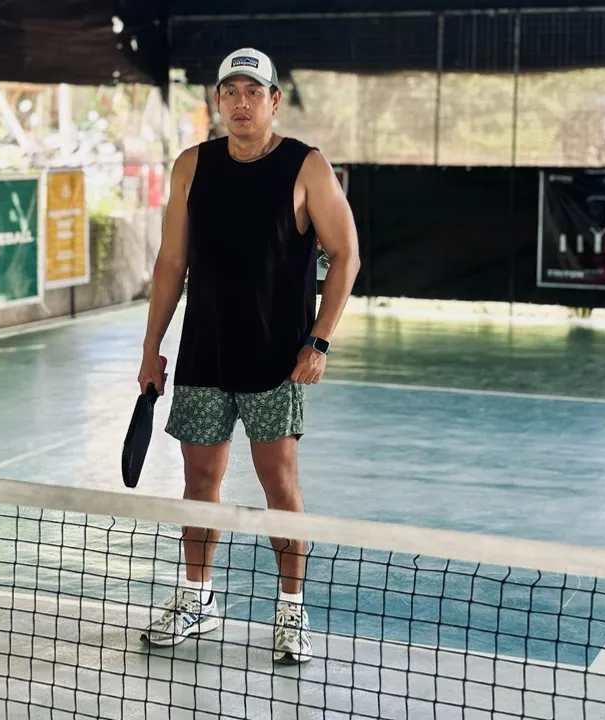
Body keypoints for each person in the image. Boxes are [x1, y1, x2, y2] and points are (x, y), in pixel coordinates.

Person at [137, 47, 360, 664]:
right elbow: (171, 262)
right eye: (230, 91)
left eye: (253, 92)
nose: (241, 102)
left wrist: (319, 339)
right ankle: (197, 599)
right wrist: (152, 348)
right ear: (217, 100)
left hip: (275, 360)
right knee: (198, 483)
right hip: (203, 355)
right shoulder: (192, 166)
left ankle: (291, 609)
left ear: (274, 101)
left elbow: (347, 255)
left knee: (279, 483)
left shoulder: (306, 166)